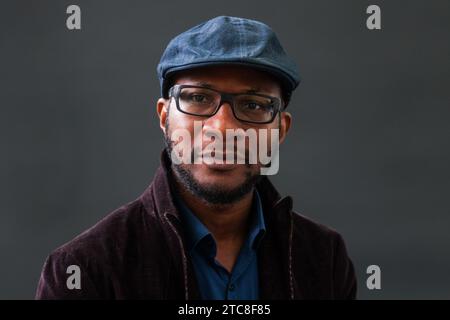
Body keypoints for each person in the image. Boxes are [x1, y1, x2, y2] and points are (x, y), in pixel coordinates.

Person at [36, 16, 357, 300]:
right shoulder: (84, 269)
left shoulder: (324, 257)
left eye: (254, 104)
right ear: (164, 117)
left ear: (281, 129)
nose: (223, 127)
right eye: (198, 98)